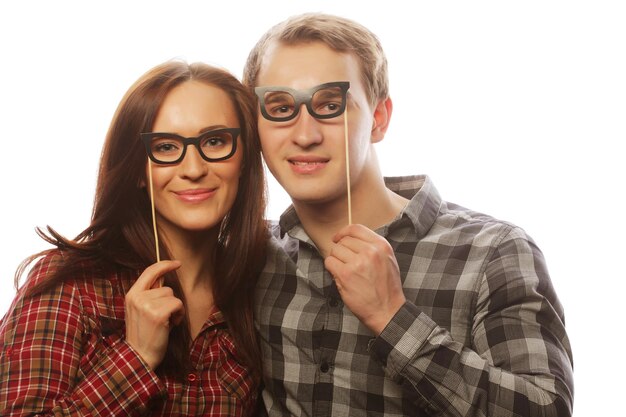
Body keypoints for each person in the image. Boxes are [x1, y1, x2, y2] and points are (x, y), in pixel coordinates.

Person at [243, 13, 574, 416]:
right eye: (280, 107)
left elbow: (547, 409)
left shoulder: (493, 252)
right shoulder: (252, 257)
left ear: (379, 118)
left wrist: (393, 317)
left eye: (330, 104)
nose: (305, 134)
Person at [0, 61, 267, 416]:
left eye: (215, 141)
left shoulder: (256, 292)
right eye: (167, 147)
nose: (193, 169)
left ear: (244, 158)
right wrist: (136, 358)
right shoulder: (72, 286)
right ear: (137, 170)